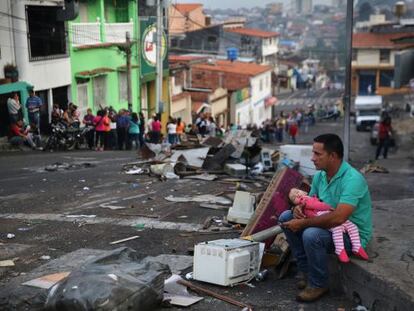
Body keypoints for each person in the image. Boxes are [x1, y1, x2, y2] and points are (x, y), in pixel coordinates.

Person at [279, 134, 372, 302]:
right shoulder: (320, 176)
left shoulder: (353, 179)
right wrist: (299, 208)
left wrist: (303, 223)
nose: (312, 158)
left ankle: (318, 283)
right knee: (285, 216)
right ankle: (306, 271)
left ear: (333, 156)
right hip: (328, 226)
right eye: (312, 153)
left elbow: (339, 218)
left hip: (351, 234)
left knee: (311, 234)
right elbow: (311, 202)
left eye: (317, 154)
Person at [289, 188, 369, 263]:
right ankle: (340, 249)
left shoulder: (309, 197)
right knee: (336, 228)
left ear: (303, 191)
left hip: (327, 215)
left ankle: (357, 246)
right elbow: (316, 205)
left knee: (352, 226)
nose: (297, 195)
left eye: (297, 192)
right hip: (320, 215)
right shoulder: (305, 200)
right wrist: (328, 207)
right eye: (294, 198)